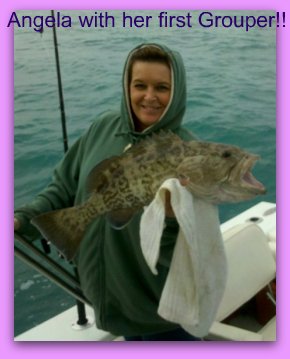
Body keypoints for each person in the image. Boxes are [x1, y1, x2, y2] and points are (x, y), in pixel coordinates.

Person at [14, 43, 201, 341]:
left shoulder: (187, 155)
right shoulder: (103, 127)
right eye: (140, 85)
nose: (150, 97)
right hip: (107, 305)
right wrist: (21, 220)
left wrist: (170, 218)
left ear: (176, 91)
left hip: (160, 316)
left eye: (162, 87)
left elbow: (194, 247)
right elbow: (63, 187)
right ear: (127, 86)